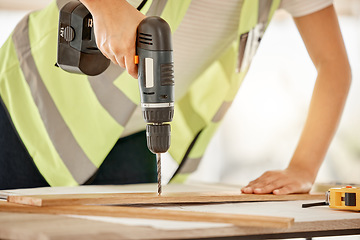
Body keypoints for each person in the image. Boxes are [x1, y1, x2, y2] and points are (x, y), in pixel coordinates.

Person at [0, 0, 351, 194]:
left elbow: (333, 66)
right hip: (29, 107)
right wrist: (105, 6)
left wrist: (303, 168)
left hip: (131, 141)